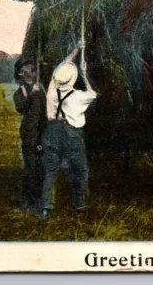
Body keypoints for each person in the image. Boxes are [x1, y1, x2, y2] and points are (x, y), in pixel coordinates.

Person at [38, 42, 97, 219]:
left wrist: (74, 51)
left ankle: (46, 208)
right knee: (79, 169)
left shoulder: (51, 91)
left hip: (51, 131)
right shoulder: (78, 97)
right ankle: (79, 205)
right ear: (72, 79)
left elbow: (58, 70)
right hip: (71, 134)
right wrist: (85, 75)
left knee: (50, 170)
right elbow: (92, 94)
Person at [12, 57, 46, 212]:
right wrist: (33, 94)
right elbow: (21, 108)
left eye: (32, 66)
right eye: (27, 66)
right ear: (20, 73)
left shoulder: (41, 87)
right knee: (30, 168)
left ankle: (38, 201)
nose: (32, 68)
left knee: (40, 168)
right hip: (29, 135)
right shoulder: (19, 93)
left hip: (43, 133)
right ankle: (26, 202)